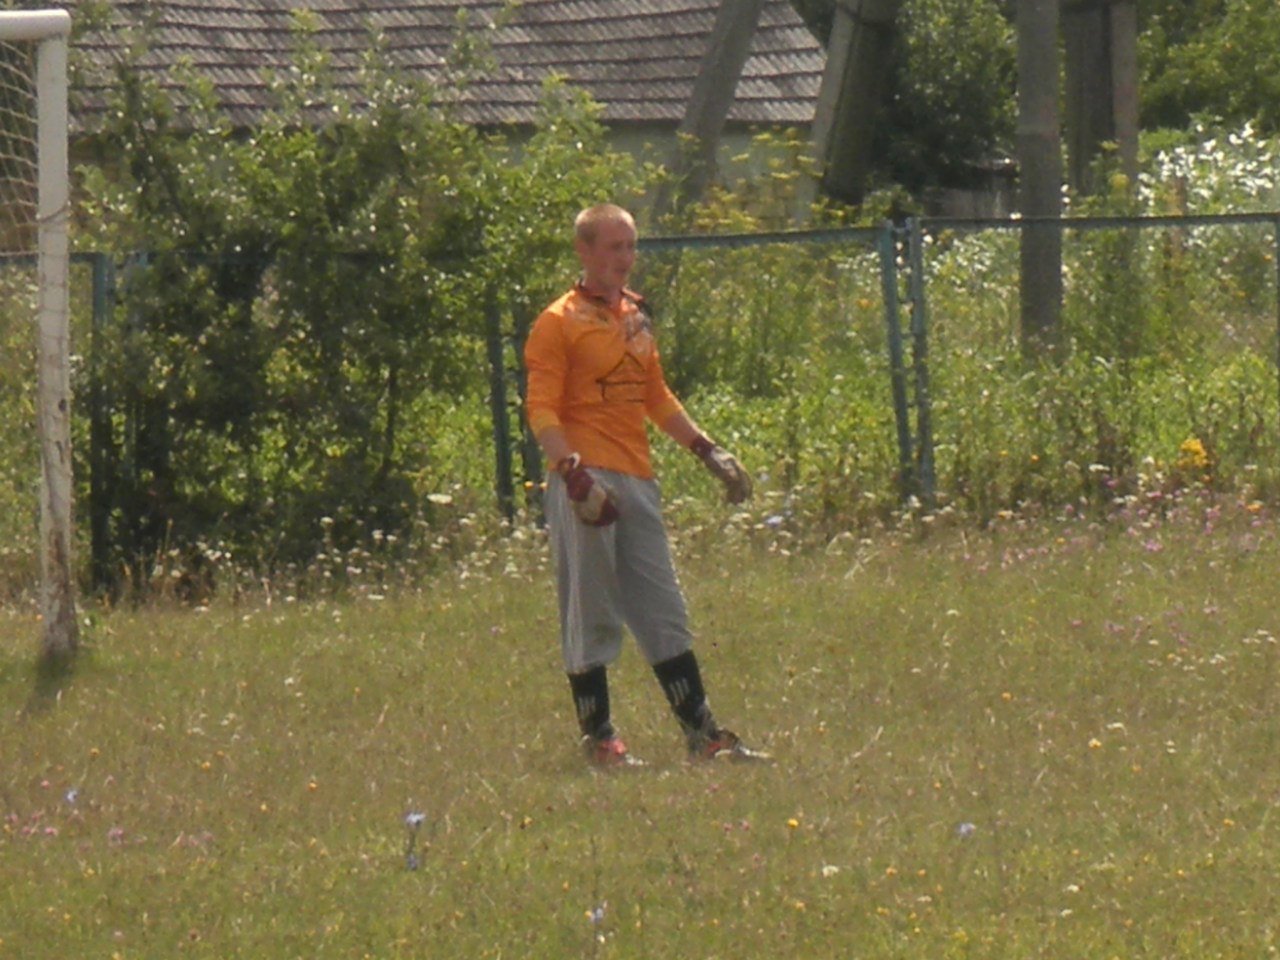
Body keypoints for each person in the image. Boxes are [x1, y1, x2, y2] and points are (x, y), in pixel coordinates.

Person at [523, 202, 770, 768]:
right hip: (585, 480)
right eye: (614, 247)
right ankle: (600, 741)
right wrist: (573, 475)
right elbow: (541, 409)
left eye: (631, 246)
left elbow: (654, 396)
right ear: (584, 250)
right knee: (591, 609)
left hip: (636, 476)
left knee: (663, 607)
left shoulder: (636, 317)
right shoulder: (557, 322)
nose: (626, 258)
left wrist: (707, 450)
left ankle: (703, 736)